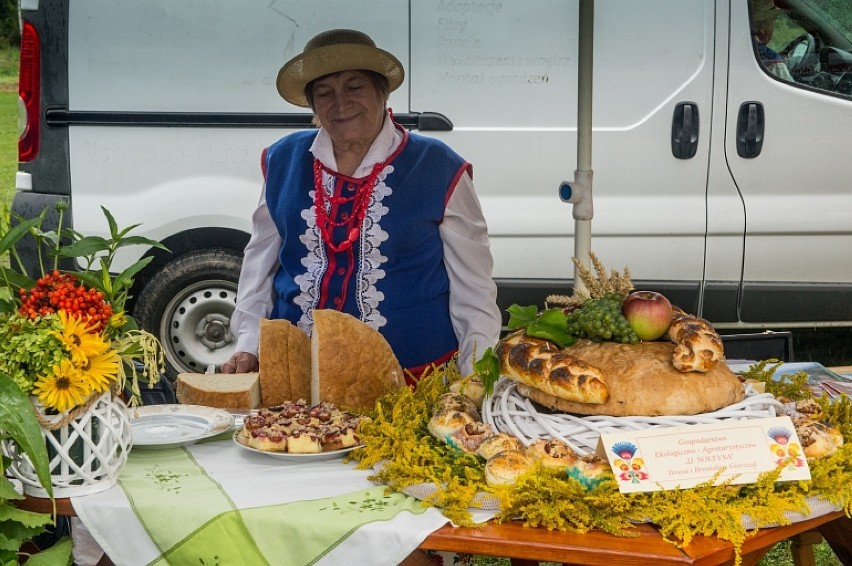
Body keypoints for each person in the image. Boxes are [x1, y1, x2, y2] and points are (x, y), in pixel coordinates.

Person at [221, 29, 502, 381]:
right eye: (324, 92)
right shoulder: (283, 161)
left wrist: (476, 379)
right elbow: (258, 268)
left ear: (381, 91)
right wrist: (247, 343)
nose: (340, 103)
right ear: (313, 105)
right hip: (301, 378)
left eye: (355, 87)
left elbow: (473, 292)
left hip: (412, 382)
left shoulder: (440, 168)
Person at [751, 0, 795, 82]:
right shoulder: (774, 63)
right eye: (772, 21)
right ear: (763, 27)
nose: (773, 27)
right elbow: (795, 94)